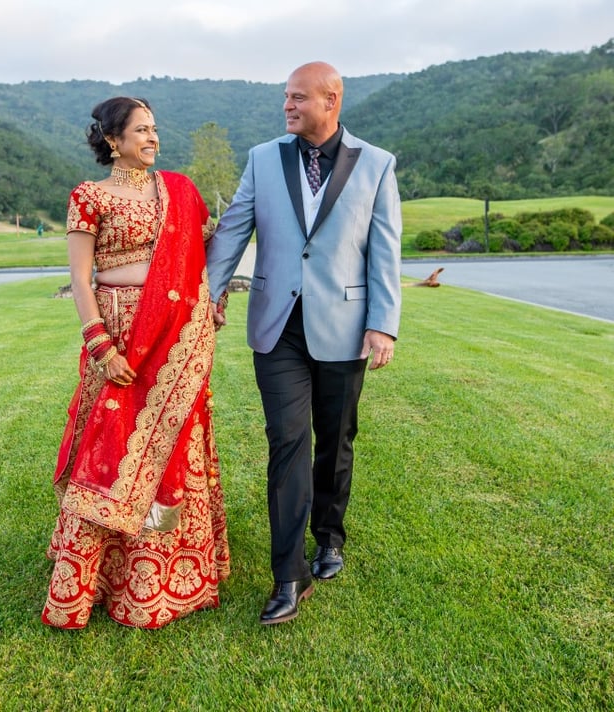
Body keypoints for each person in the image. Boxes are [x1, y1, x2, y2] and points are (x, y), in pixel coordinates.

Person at [206, 62, 401, 625]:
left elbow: (384, 250)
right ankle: (289, 576)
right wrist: (211, 294)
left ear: (330, 100)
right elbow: (235, 227)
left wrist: (383, 322)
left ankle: (330, 537)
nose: (286, 107)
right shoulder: (263, 158)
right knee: (287, 441)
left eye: (297, 98)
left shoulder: (377, 164)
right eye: (285, 98)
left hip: (344, 324)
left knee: (335, 440)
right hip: (277, 326)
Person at [42, 96, 230, 629]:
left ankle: (166, 571)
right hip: (118, 334)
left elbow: (203, 249)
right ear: (112, 140)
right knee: (112, 443)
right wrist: (100, 345)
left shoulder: (179, 190)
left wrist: (206, 302)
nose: (153, 139)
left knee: (172, 441)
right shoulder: (89, 196)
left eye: (155, 130)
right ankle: (94, 576)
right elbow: (81, 278)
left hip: (173, 335)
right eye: (142, 130)